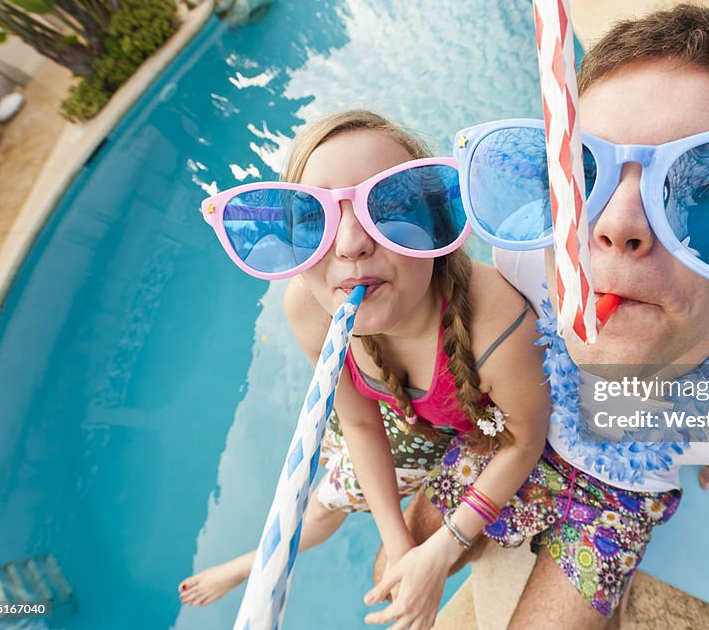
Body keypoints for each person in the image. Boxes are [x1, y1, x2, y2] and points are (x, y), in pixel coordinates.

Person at [367, 5, 709, 630]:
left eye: (699, 185)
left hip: (622, 495)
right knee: (393, 562)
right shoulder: (524, 249)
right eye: (586, 170)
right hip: (521, 434)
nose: (617, 224)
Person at [180, 110, 550, 616]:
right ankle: (254, 562)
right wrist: (399, 543)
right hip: (378, 417)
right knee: (334, 495)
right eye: (314, 219)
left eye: (390, 206)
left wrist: (441, 550)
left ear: (439, 222)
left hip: (465, 432)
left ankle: (252, 563)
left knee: (341, 510)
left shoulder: (498, 326)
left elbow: (525, 440)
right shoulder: (308, 307)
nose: (352, 244)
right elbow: (357, 420)